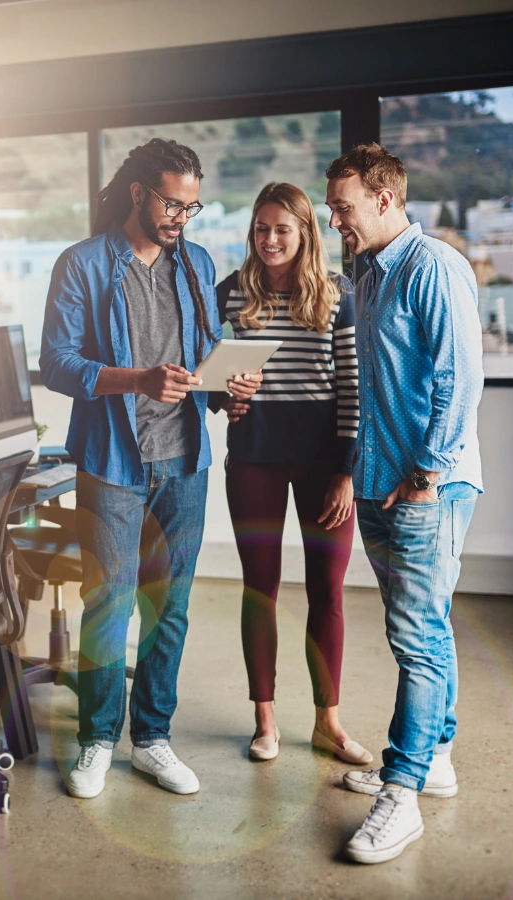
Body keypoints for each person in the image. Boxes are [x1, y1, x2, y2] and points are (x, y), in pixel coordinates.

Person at [40, 138, 260, 800]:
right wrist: (138, 378)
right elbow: (58, 363)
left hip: (185, 460)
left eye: (192, 208)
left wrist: (229, 388)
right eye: (172, 204)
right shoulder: (81, 264)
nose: (180, 219)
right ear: (139, 192)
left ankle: (153, 740)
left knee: (169, 607)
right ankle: (97, 740)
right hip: (112, 462)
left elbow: (203, 355)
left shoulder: (194, 263)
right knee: (108, 602)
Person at [323, 144, 483, 864]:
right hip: (382, 483)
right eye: (332, 211)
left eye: (344, 209)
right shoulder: (366, 274)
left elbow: (459, 379)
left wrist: (424, 473)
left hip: (426, 487)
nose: (336, 223)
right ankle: (435, 759)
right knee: (426, 628)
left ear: (385, 200)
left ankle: (403, 790)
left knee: (417, 637)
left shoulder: (434, 268)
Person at [215, 182, 370, 766]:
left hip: (322, 461)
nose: (270, 239)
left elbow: (353, 388)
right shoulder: (231, 293)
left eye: (282, 228)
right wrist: (222, 400)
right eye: (261, 228)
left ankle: (328, 723)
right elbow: (206, 375)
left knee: (327, 591)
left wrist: (345, 471)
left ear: (305, 231)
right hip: (252, 456)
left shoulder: (337, 294)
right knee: (260, 589)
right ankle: (266, 721)